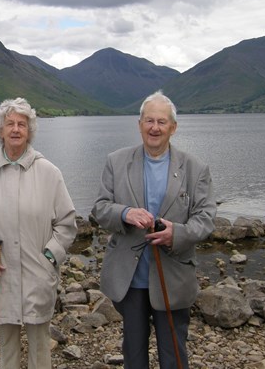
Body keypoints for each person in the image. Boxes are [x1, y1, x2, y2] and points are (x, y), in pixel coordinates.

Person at [92, 90, 216, 368]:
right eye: (149, 121)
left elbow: (206, 217)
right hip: (131, 278)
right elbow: (99, 208)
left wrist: (178, 233)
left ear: (173, 127)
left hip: (173, 276)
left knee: (173, 353)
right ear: (139, 125)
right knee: (133, 355)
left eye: (162, 122)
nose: (154, 128)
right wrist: (124, 213)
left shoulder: (196, 168)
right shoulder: (116, 161)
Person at [0, 97, 77, 369]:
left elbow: (67, 223)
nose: (15, 129)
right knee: (7, 348)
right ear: (0, 130)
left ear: (29, 131)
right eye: (9, 123)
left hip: (38, 273)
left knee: (40, 347)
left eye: (22, 124)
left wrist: (49, 256)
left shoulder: (49, 173)